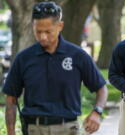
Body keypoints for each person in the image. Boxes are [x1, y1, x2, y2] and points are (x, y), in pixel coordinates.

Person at [3, 1, 108, 135]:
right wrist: (11, 132)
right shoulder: (24, 58)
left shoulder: (78, 55)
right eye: (38, 31)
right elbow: (11, 98)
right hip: (34, 129)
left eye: (48, 31)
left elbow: (101, 88)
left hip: (68, 129)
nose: (43, 37)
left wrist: (97, 111)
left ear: (60, 26)